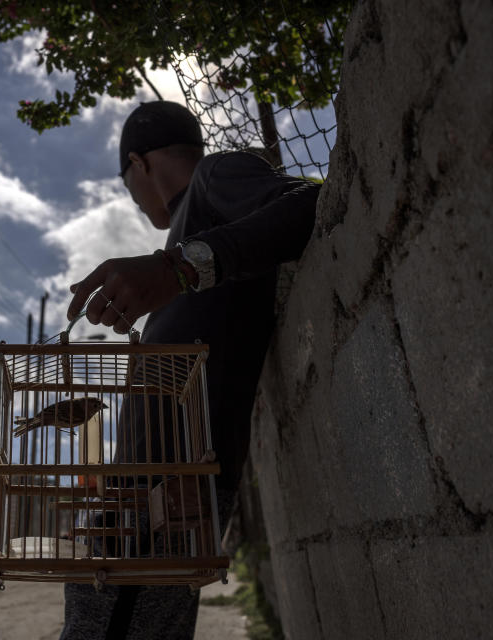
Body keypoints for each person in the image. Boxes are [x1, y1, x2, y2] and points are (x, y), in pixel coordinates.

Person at [61, 101, 320, 639]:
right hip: (142, 498)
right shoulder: (180, 231)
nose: (132, 197)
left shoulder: (212, 177)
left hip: (167, 499)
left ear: (140, 164)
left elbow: (308, 203)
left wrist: (177, 268)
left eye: (126, 180)